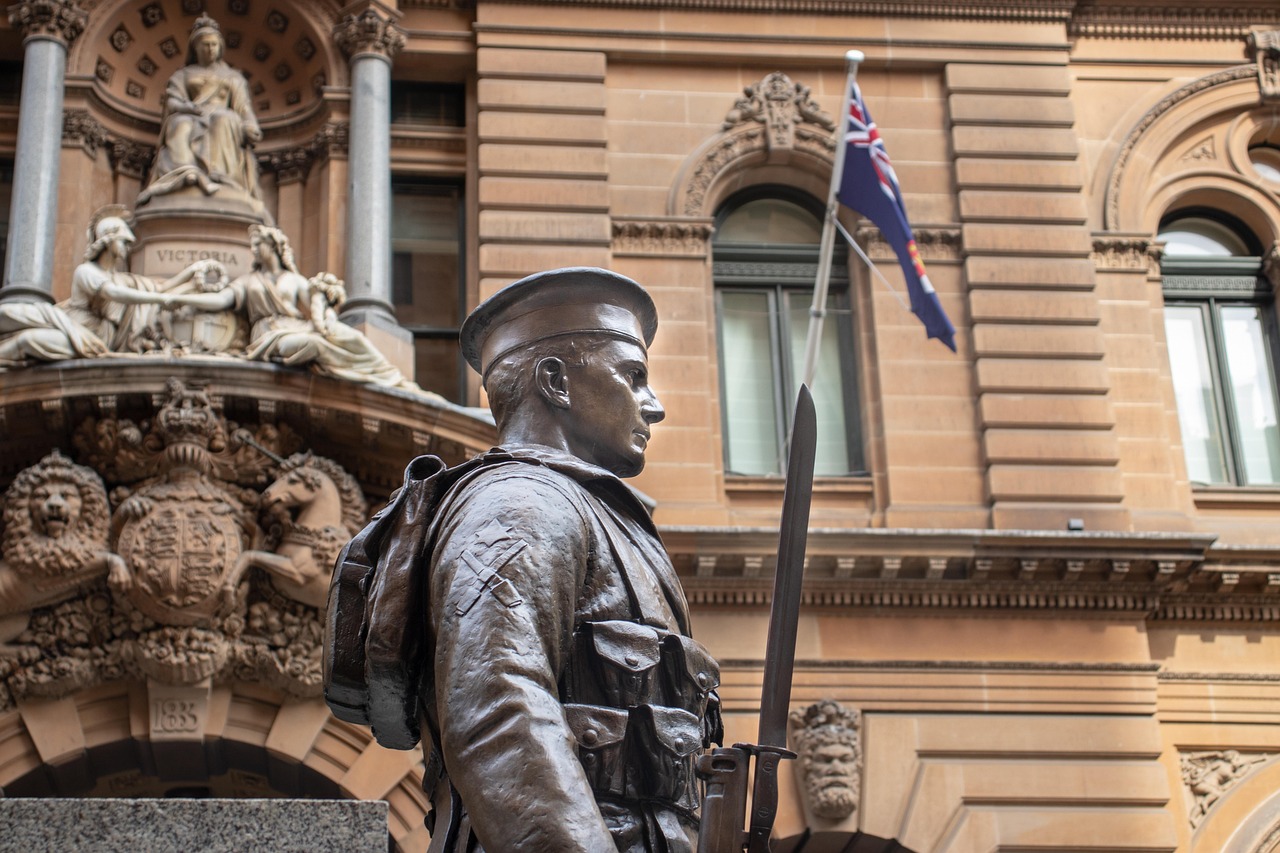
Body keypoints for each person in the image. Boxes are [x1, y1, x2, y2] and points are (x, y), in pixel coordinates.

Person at [381, 268, 721, 851]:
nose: (655, 405)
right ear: (556, 381)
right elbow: (498, 710)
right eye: (633, 376)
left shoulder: (598, 514)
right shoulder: (521, 502)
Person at [169, 225, 418, 390]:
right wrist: (181, 300)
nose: (253, 250)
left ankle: (390, 378)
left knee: (355, 339)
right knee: (315, 345)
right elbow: (220, 300)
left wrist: (328, 318)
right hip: (271, 334)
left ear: (273, 246)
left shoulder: (297, 280)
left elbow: (316, 307)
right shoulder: (248, 281)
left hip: (300, 326)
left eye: (258, 245)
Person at [138, 14, 262, 207]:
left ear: (220, 47)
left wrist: (250, 124)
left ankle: (220, 175)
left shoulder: (233, 77)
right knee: (179, 122)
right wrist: (188, 107)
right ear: (195, 48)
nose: (210, 49)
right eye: (205, 44)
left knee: (224, 118)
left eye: (214, 44)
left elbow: (243, 107)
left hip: (222, 115)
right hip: (191, 112)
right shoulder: (183, 75)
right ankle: (185, 171)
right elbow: (173, 102)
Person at [66, 210, 216, 352]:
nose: (128, 247)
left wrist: (192, 270)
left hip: (102, 336)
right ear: (108, 241)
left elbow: (161, 287)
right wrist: (160, 299)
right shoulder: (86, 271)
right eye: (124, 242)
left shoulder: (122, 279)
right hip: (78, 330)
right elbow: (113, 292)